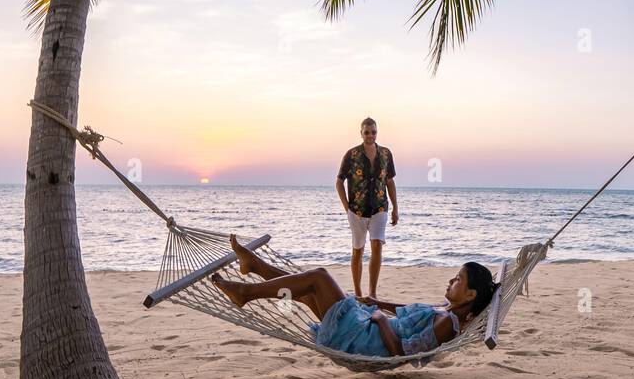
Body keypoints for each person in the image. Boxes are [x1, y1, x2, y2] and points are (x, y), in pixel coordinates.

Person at [211, 237, 498, 360]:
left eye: (458, 279)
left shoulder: (448, 323)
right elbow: (406, 314)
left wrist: (378, 318)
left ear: (471, 295)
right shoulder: (446, 312)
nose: (451, 280)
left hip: (367, 340)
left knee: (319, 277)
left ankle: (244, 293)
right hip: (367, 327)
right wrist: (378, 302)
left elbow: (403, 351)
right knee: (307, 290)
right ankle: (256, 267)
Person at [335, 117, 398, 299]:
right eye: (367, 132)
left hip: (380, 208)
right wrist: (346, 207)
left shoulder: (386, 154)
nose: (370, 135)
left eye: (374, 132)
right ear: (361, 133)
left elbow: (390, 181)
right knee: (358, 250)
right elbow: (339, 181)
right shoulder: (351, 154)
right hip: (357, 210)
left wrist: (395, 208)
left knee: (377, 245)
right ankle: (358, 293)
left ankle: (372, 292)